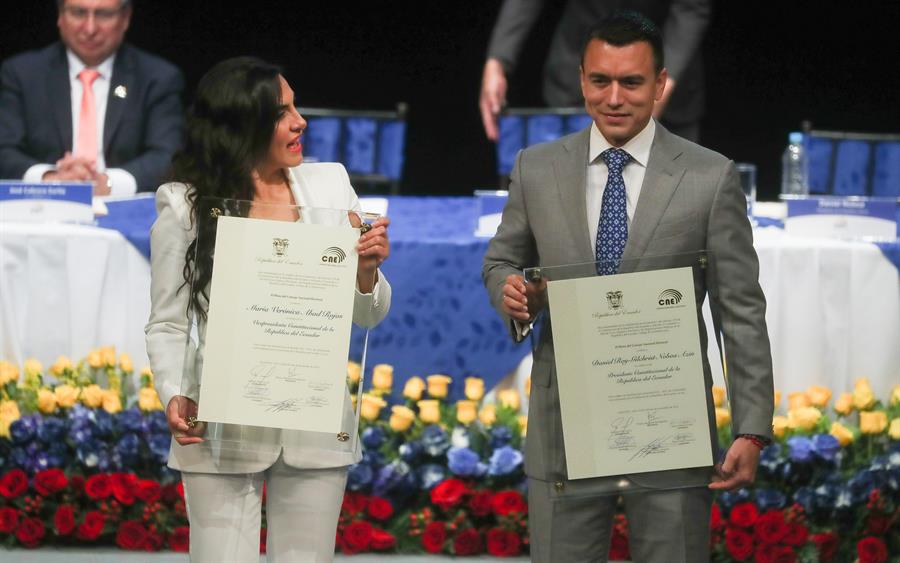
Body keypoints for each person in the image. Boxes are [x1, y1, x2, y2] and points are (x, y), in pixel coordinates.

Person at [482, 12, 773, 562]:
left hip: (671, 427)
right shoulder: (536, 169)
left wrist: (752, 428)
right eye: (600, 81)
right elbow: (502, 261)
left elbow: (740, 312)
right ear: (581, 79)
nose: (614, 98)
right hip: (564, 424)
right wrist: (513, 292)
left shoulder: (709, 177)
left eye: (632, 82)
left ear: (661, 85)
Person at [145, 57, 391, 562]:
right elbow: (167, 322)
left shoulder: (330, 187)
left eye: (295, 106)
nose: (300, 121)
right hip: (219, 427)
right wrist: (173, 392)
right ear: (242, 124)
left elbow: (369, 314)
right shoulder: (186, 205)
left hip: (314, 427)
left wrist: (366, 269)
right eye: (282, 112)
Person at [0, 0, 184, 195]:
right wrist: (50, 179)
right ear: (60, 16)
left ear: (125, 18)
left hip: (123, 208)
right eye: (78, 13)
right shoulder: (22, 73)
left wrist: (108, 183)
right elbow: (4, 149)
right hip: (40, 207)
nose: (90, 28)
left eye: (104, 14)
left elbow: (168, 154)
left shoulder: (157, 77)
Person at [479, 0, 709, 143]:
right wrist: (498, 60)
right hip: (577, 84)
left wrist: (662, 80)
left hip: (668, 87)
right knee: (568, 204)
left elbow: (691, 7)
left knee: (675, 209)